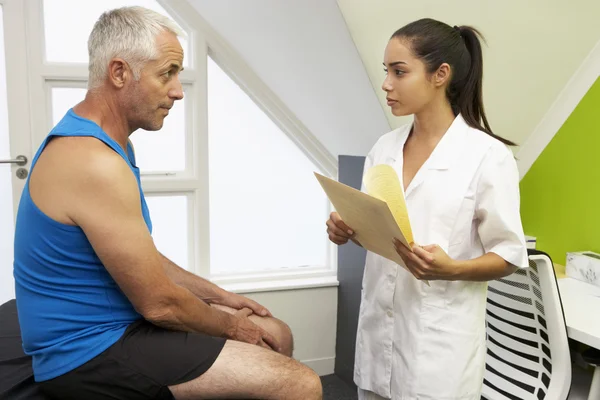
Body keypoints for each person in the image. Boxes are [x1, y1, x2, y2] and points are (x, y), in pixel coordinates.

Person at [13, 6, 322, 400]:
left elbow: (140, 258)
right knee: (300, 382)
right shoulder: (91, 160)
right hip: (85, 352)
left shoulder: (109, 142)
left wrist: (219, 297)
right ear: (120, 72)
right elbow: (159, 305)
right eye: (167, 73)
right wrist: (233, 326)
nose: (177, 90)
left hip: (115, 325)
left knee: (277, 332)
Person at [326, 18, 528, 400]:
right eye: (386, 71)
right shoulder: (383, 148)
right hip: (377, 336)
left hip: (437, 353)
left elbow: (509, 253)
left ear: (441, 75)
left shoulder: (487, 157)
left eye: (399, 72)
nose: (386, 83)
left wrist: (453, 269)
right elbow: (382, 233)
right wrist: (348, 230)